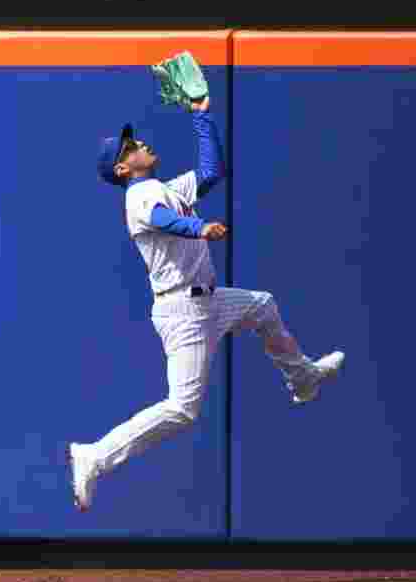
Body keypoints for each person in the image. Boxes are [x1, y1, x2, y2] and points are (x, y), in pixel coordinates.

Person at [70, 95, 344, 512]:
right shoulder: (138, 198)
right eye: (129, 148)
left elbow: (211, 172)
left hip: (208, 301)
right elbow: (166, 222)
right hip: (184, 313)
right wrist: (199, 227)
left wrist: (200, 114)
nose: (139, 143)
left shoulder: (164, 188)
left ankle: (302, 378)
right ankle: (95, 456)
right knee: (182, 409)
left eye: (134, 140)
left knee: (263, 305)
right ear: (123, 169)